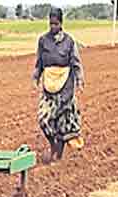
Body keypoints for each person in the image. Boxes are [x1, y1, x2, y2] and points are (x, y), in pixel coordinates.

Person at [33, 8, 84, 161]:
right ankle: (53, 144)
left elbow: (76, 62)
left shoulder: (69, 42)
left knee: (61, 122)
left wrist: (80, 81)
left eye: (55, 24)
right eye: (51, 24)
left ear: (61, 23)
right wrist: (36, 77)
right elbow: (39, 62)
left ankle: (58, 154)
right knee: (44, 119)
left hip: (65, 88)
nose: (53, 27)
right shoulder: (43, 41)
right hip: (49, 87)